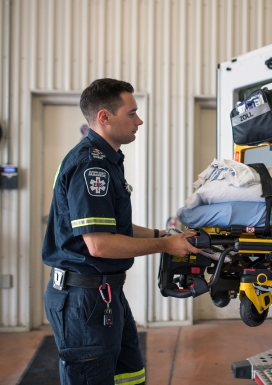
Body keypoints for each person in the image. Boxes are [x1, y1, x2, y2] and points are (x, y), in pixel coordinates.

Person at [42, 78, 201, 385]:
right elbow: (100, 245)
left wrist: (163, 234)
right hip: (84, 301)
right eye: (131, 113)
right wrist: (167, 245)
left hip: (104, 294)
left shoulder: (108, 161)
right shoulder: (91, 165)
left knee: (128, 376)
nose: (138, 120)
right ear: (104, 117)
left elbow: (116, 229)